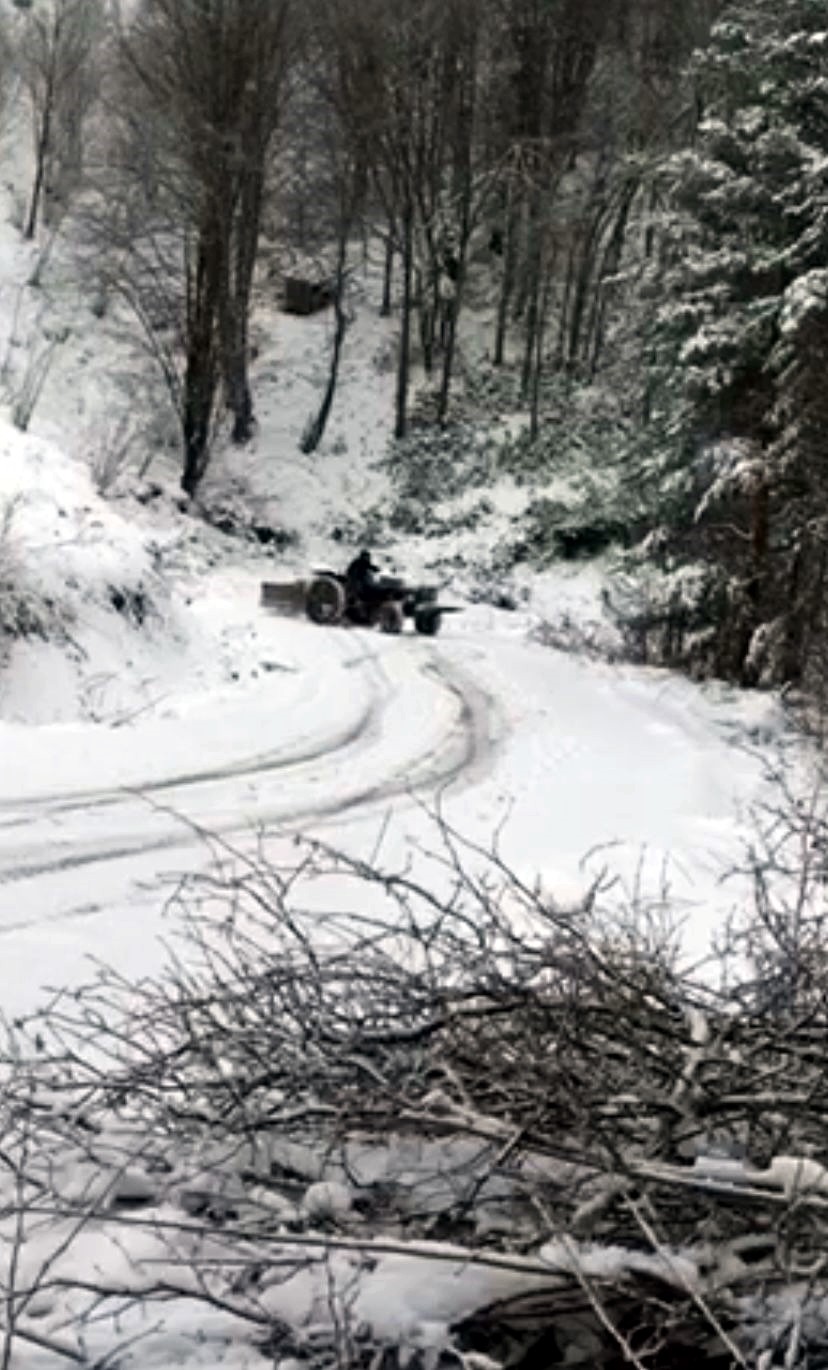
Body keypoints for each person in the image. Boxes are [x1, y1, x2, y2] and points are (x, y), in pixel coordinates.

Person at [345, 549, 380, 617]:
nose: (368, 558)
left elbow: (370, 567)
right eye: (366, 557)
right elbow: (367, 567)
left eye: (368, 557)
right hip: (356, 582)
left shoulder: (362, 563)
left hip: (362, 581)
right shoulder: (359, 562)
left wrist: (376, 569)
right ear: (363, 556)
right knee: (361, 593)